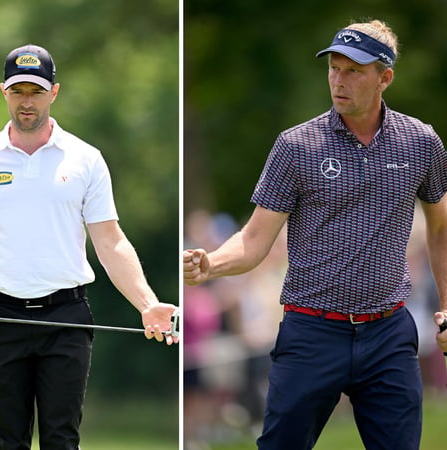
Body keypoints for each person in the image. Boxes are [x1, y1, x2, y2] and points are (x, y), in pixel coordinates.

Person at [183, 19, 447, 449]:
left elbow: (440, 227)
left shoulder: (420, 143)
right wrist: (211, 263)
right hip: (312, 331)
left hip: (388, 333)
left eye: (353, 71)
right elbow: (253, 240)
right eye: (334, 69)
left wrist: (446, 309)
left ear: (385, 78)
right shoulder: (297, 145)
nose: (338, 81)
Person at [0, 44, 178, 449]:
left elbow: (110, 240)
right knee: (9, 440)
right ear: (3, 91)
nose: (26, 102)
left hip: (67, 316)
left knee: (61, 440)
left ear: (53, 92)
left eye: (36, 92)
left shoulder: (85, 159)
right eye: (18, 91)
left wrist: (146, 303)